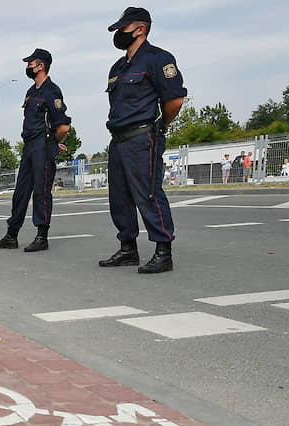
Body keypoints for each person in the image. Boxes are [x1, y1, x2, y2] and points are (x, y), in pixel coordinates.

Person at [99, 7, 186, 274]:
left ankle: (163, 250)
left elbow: (174, 99)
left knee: (148, 194)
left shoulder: (158, 59)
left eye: (121, 29)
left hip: (142, 137)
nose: (117, 34)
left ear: (140, 29)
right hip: (118, 139)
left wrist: (161, 126)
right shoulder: (118, 67)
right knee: (120, 198)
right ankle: (128, 248)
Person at [0, 48, 71, 252]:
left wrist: (52, 143)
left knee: (41, 191)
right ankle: (11, 235)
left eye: (30, 63)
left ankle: (41, 237)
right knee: (20, 192)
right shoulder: (31, 91)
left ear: (41, 65)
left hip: (42, 145)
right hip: (29, 145)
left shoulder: (51, 91)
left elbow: (63, 126)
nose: (27, 66)